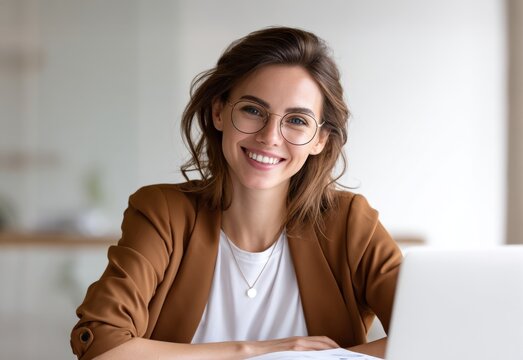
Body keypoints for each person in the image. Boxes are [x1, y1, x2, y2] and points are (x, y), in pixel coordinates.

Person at [70, 26, 402, 360]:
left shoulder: (349, 222)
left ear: (320, 140)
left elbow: (433, 332)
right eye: (253, 110)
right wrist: (253, 351)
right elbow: (102, 346)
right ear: (219, 112)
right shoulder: (162, 213)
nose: (270, 136)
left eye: (297, 120)